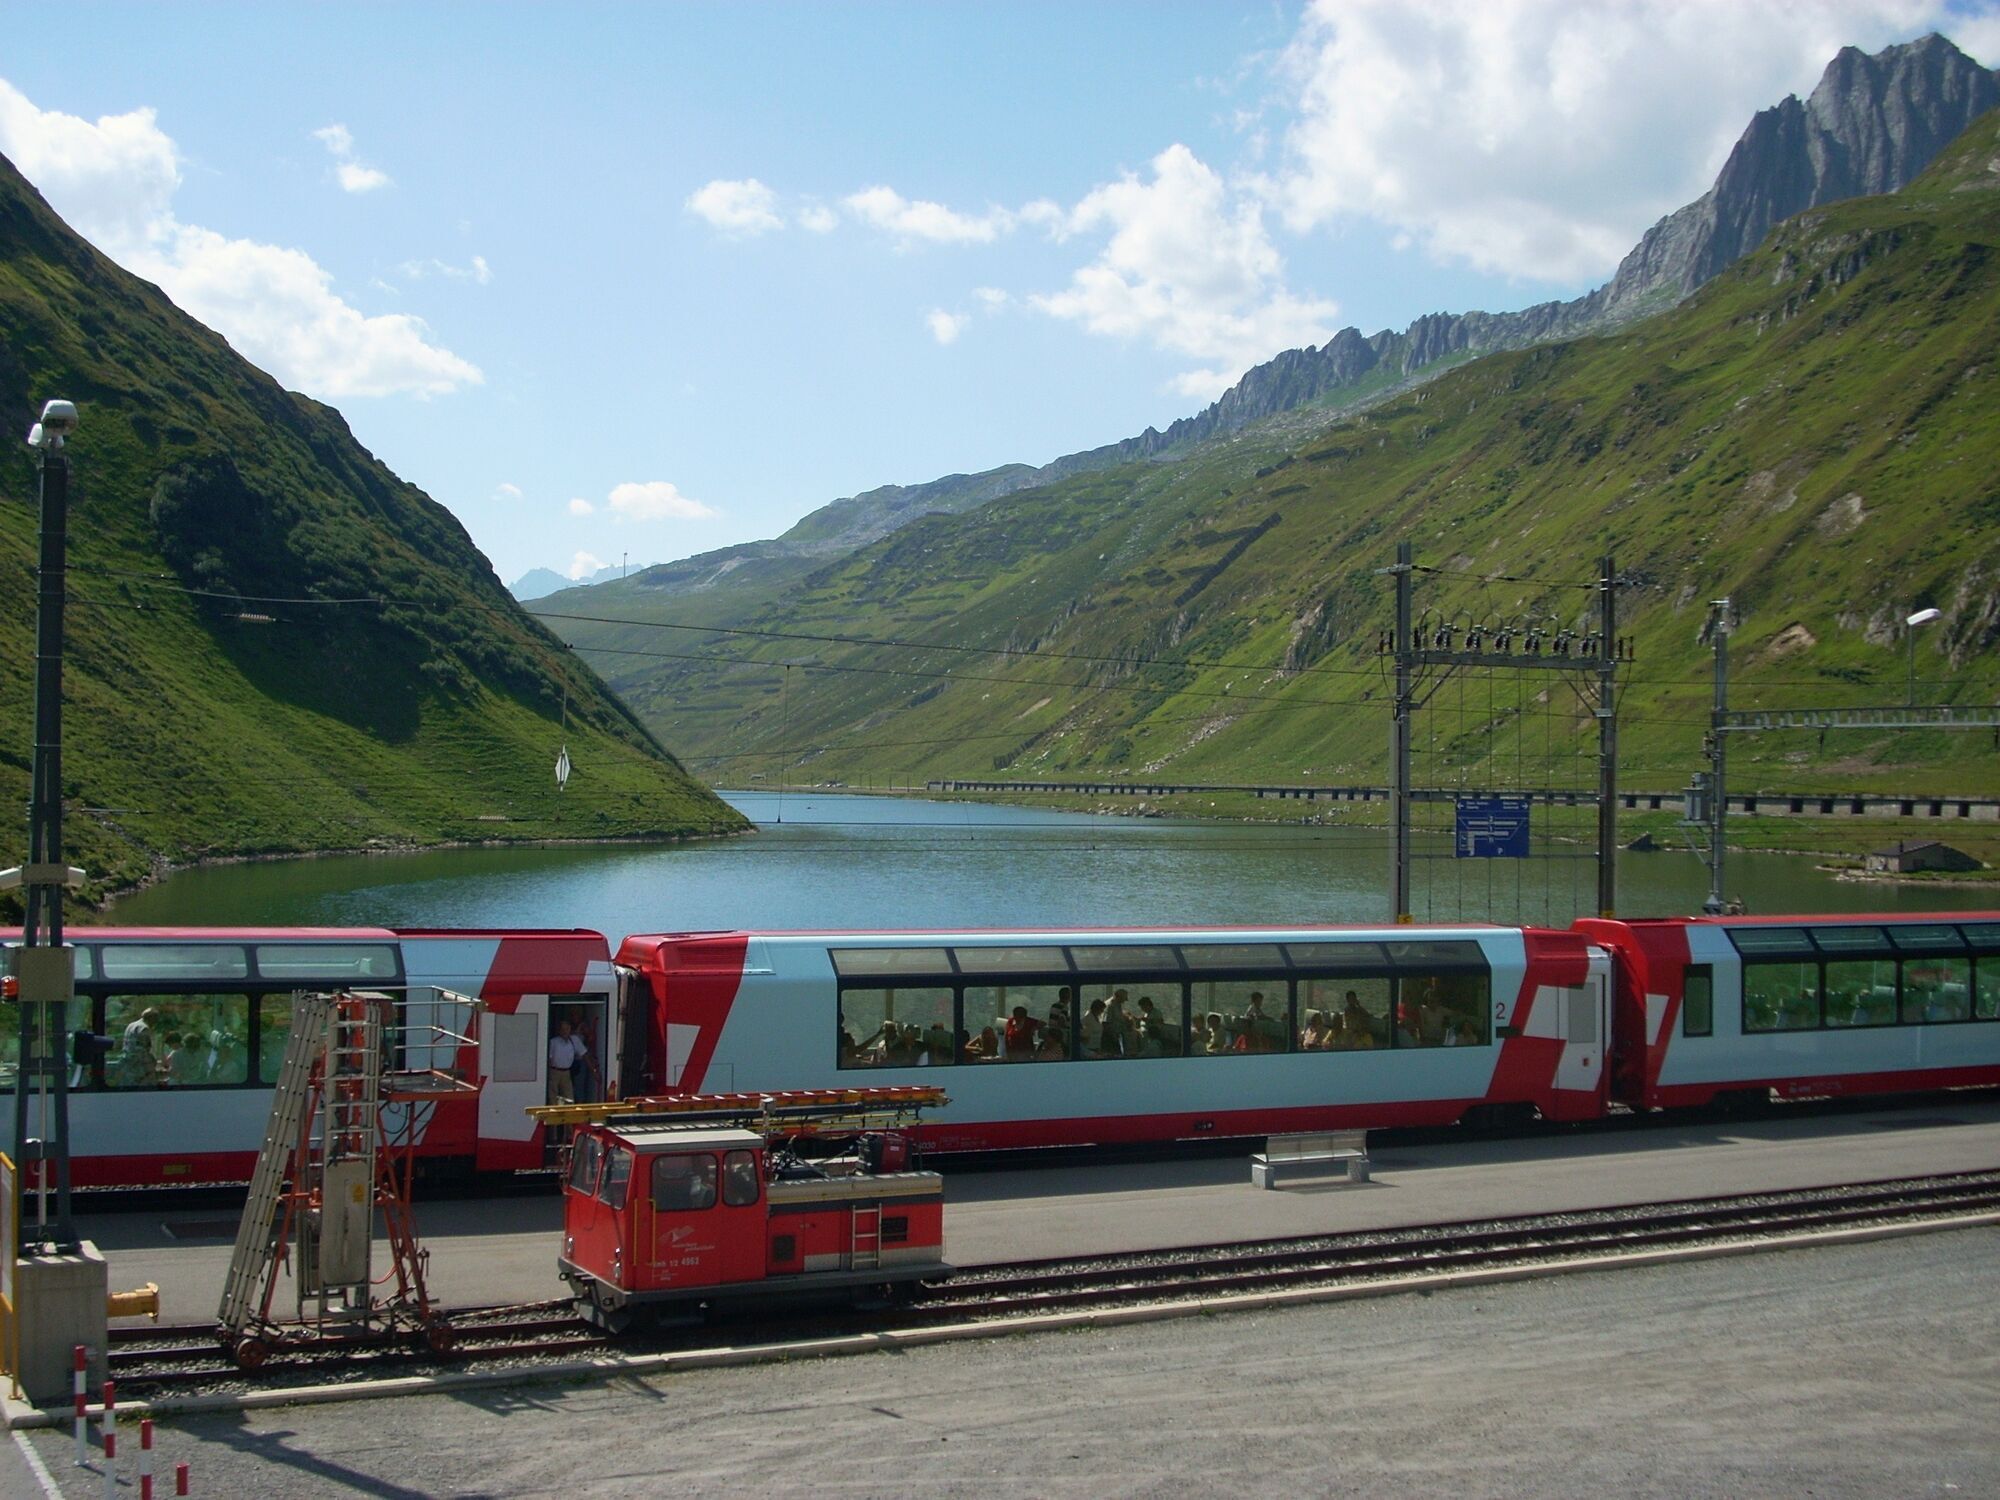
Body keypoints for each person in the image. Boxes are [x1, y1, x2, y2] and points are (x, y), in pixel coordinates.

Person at [114, 1008, 165, 1087]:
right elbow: (143, 1050)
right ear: (151, 1018)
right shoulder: (144, 1029)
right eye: (155, 1019)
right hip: (138, 1067)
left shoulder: (131, 1025)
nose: (156, 1023)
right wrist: (153, 1065)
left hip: (127, 1064)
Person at [547, 1017, 584, 1104]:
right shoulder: (553, 1042)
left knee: (569, 1097)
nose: (565, 1031)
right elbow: (549, 1058)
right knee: (553, 1096)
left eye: (567, 1029)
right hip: (554, 1071)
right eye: (562, 1029)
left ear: (570, 1029)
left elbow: (584, 1054)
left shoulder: (573, 1040)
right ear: (559, 1030)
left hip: (567, 1073)